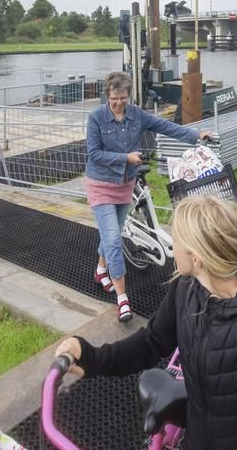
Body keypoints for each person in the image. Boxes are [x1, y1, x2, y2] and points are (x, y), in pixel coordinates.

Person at [54, 196, 237, 449]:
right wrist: (92, 357)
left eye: (175, 238)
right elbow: (151, 341)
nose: (171, 244)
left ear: (197, 258)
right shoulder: (187, 288)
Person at [86, 71, 211, 322]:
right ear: (107, 96)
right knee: (112, 240)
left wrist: (196, 135)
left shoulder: (137, 115)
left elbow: (165, 126)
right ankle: (122, 299)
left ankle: (101, 269)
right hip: (100, 183)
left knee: (113, 233)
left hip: (124, 184)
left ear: (129, 96)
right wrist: (125, 158)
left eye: (123, 98)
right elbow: (94, 154)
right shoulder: (96, 118)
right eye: (114, 99)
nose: (119, 103)